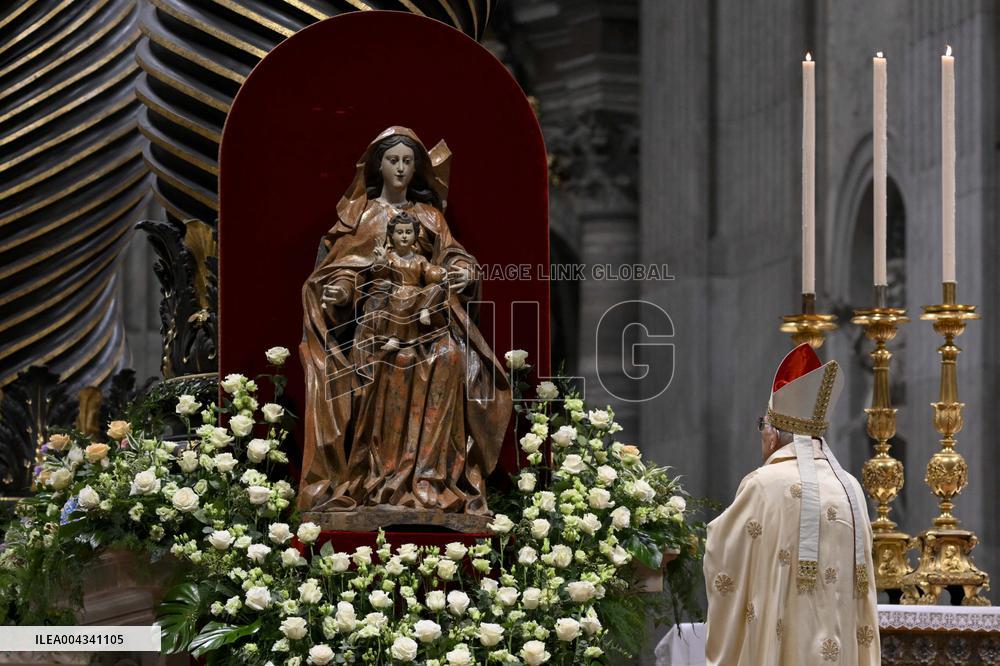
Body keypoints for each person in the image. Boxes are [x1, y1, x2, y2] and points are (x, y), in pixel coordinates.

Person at [298, 126, 512, 514]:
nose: (400, 168)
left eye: (408, 161)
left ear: (417, 169)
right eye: (393, 160)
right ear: (379, 165)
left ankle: (430, 477)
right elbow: (346, 267)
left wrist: (464, 271)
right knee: (389, 364)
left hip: (429, 326)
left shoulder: (429, 216)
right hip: (379, 329)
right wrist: (342, 292)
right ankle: (378, 477)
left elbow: (450, 257)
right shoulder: (363, 215)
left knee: (451, 358)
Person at [704, 343, 880, 665]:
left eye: (762, 426)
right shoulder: (851, 488)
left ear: (772, 434)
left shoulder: (763, 484)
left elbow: (725, 555)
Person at [367, 212, 447, 352]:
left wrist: (439, 272)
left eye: (408, 232)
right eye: (400, 232)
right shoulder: (390, 257)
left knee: (436, 288)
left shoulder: (420, 259)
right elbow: (381, 275)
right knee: (399, 309)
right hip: (399, 294)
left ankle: (425, 310)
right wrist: (381, 262)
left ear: (415, 236)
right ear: (392, 235)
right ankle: (394, 339)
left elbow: (430, 272)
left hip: (417, 295)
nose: (404, 235)